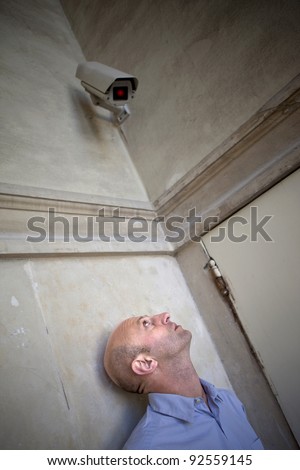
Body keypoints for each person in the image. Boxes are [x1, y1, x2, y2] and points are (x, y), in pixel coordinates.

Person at [104, 312, 264, 450]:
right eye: (147, 323)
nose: (165, 315)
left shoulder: (229, 401)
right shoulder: (148, 450)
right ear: (145, 364)